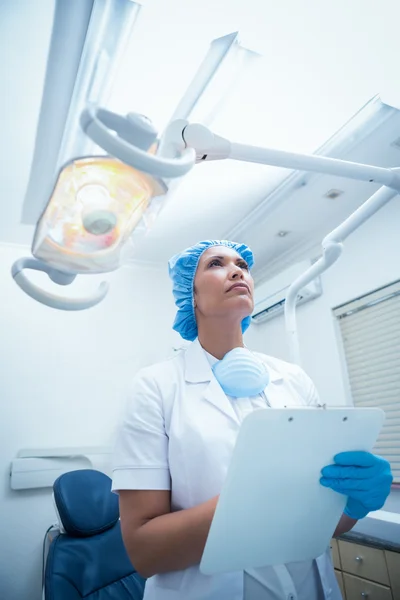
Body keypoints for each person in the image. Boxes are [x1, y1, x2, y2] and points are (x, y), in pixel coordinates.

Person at [111, 240, 392, 600]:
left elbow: (317, 526)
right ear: (191, 296)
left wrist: (353, 505)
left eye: (242, 264)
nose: (237, 270)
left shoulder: (293, 379)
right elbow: (145, 552)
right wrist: (252, 500)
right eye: (215, 263)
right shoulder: (156, 387)